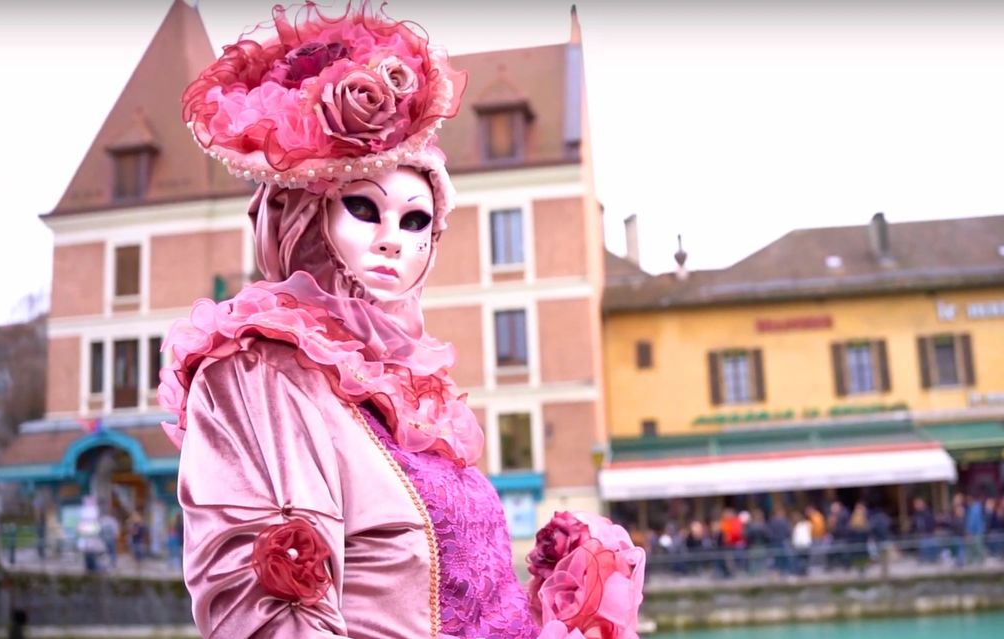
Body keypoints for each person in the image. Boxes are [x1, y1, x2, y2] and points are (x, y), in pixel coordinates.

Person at [159, 5, 646, 637]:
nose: (394, 239)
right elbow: (269, 616)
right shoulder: (259, 375)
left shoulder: (412, 392)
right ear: (304, 218)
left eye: (416, 220)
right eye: (363, 206)